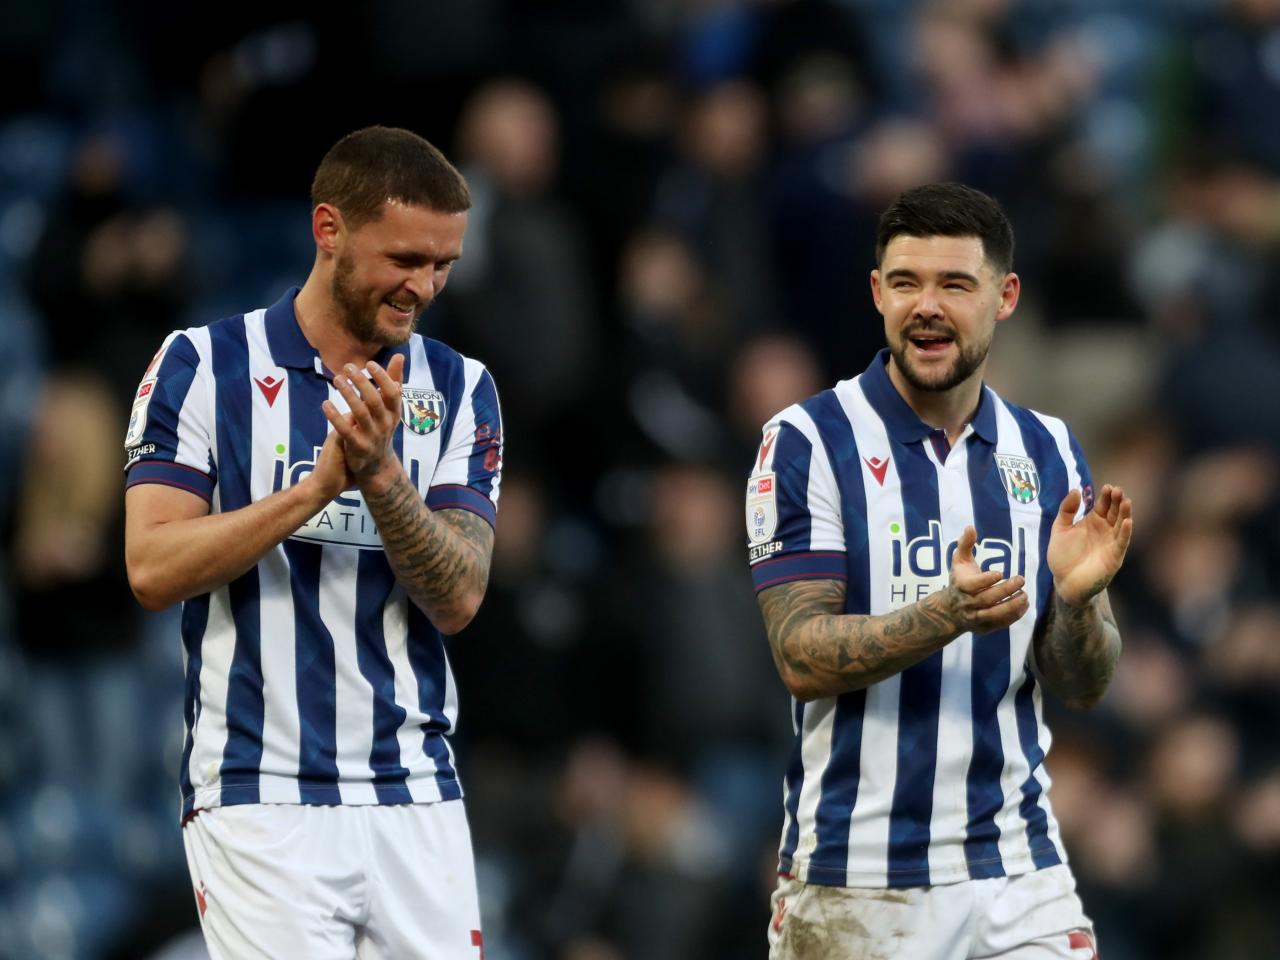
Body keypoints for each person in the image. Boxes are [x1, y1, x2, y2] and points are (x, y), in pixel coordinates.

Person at [123, 126, 502, 960]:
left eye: (443, 265)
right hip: (262, 795)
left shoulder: (463, 388)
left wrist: (381, 477)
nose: (424, 288)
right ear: (328, 229)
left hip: (416, 790)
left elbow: (461, 595)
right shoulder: (202, 366)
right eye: (405, 258)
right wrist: (311, 492)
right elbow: (151, 568)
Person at [746, 182, 1131, 959]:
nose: (927, 305)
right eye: (905, 282)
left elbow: (1085, 685)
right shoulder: (806, 442)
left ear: (1005, 296)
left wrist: (1081, 605)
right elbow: (800, 655)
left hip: (1018, 869)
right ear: (875, 293)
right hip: (855, 884)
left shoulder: (1049, 450)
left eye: (954, 284)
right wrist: (945, 613)